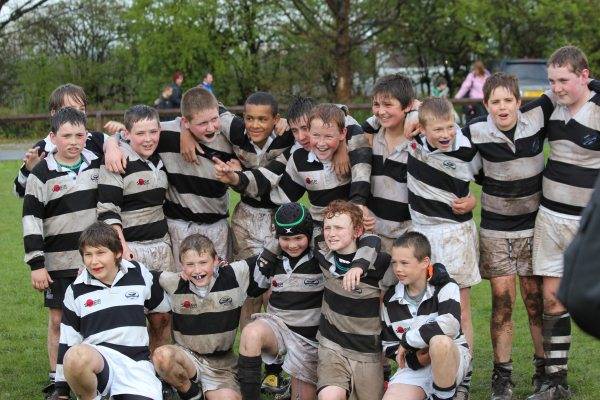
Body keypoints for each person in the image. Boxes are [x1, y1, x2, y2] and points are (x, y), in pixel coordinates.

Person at [465, 72, 554, 399]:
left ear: (519, 101)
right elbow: (442, 140)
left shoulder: (537, 116)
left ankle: (543, 371)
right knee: (502, 305)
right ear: (486, 105)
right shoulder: (474, 131)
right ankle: (502, 378)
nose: (502, 107)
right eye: (494, 102)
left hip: (534, 229)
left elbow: (571, 86)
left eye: (508, 100)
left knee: (536, 304)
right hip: (496, 231)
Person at [527, 45, 600, 400]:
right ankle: (556, 383)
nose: (556, 87)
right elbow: (508, 113)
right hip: (551, 218)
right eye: (552, 80)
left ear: (585, 76)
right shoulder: (548, 106)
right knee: (552, 301)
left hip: (589, 225)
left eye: (564, 80)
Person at [22, 107, 104, 400]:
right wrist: (36, 264)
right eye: (66, 136)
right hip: (57, 263)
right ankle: (58, 383)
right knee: (59, 321)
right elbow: (31, 221)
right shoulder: (41, 174)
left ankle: (94, 375)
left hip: (95, 261)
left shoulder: (97, 163)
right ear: (53, 137)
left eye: (79, 135)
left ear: (86, 136)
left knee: (94, 317)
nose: (73, 141)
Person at [104, 87, 237, 263]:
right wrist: (112, 145)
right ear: (186, 122)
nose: (211, 127)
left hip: (216, 225)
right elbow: (127, 135)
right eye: (203, 123)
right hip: (178, 227)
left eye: (214, 120)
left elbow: (251, 151)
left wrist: (239, 167)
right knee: (181, 284)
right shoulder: (162, 135)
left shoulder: (228, 137)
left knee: (217, 282)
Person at [407, 97, 480, 399]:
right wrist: (416, 107)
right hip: (422, 233)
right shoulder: (414, 144)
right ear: (422, 128)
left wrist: (473, 201)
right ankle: (430, 370)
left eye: (450, 126)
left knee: (460, 310)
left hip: (455, 235)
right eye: (437, 129)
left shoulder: (464, 148)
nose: (445, 134)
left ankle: (462, 375)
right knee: (424, 306)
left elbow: (480, 183)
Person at [214, 103, 371, 242]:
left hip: (357, 225)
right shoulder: (296, 155)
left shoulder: (345, 137)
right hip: (322, 231)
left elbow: (342, 118)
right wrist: (236, 177)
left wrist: (343, 146)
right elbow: (269, 180)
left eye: (305, 128)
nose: (302, 137)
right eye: (294, 131)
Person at [54, 222, 170, 400]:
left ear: (117, 253)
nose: (94, 261)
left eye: (100, 253)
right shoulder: (75, 290)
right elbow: (68, 338)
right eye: (88, 254)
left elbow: (162, 312)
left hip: (136, 365)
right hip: (99, 364)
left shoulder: (139, 274)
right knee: (77, 355)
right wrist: (61, 390)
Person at [97, 104, 175, 353]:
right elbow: (108, 211)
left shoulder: (161, 157)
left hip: (161, 248)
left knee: (161, 317)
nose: (149, 138)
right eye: (141, 133)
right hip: (130, 251)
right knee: (130, 322)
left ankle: (160, 374)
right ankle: (129, 377)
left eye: (153, 131)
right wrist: (122, 246)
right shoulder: (117, 160)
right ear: (127, 134)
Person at [152, 233, 266, 400]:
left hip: (222, 365)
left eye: (203, 263)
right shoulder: (173, 282)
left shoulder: (234, 276)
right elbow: (139, 276)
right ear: (181, 266)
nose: (197, 270)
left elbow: (266, 258)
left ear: (216, 261)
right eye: (190, 264)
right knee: (162, 356)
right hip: (187, 357)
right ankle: (192, 394)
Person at [314, 200, 390, 400]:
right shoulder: (322, 253)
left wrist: (359, 265)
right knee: (330, 396)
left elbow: (373, 239)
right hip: (332, 346)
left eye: (339, 228)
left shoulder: (380, 263)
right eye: (327, 227)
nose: (331, 233)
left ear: (357, 232)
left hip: (366, 351)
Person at [381, 232, 471, 400]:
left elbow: (450, 325)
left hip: (453, 357)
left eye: (405, 263)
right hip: (416, 365)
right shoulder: (390, 299)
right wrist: (415, 360)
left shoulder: (445, 286)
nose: (398, 269)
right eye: (395, 263)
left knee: (440, 342)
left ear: (425, 262)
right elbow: (389, 345)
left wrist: (408, 339)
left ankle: (446, 395)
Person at [13, 83, 104, 198]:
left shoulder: (96, 139)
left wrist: (112, 146)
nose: (78, 114)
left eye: (82, 109)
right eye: (70, 109)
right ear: (54, 113)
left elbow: (127, 143)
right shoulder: (41, 149)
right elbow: (18, 191)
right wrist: (29, 170)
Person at [360, 73, 416, 253]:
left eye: (388, 104)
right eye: (376, 104)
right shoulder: (369, 138)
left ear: (407, 106)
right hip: (372, 234)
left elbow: (448, 127)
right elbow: (337, 117)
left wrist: (419, 109)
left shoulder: (418, 142)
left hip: (409, 236)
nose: (381, 111)